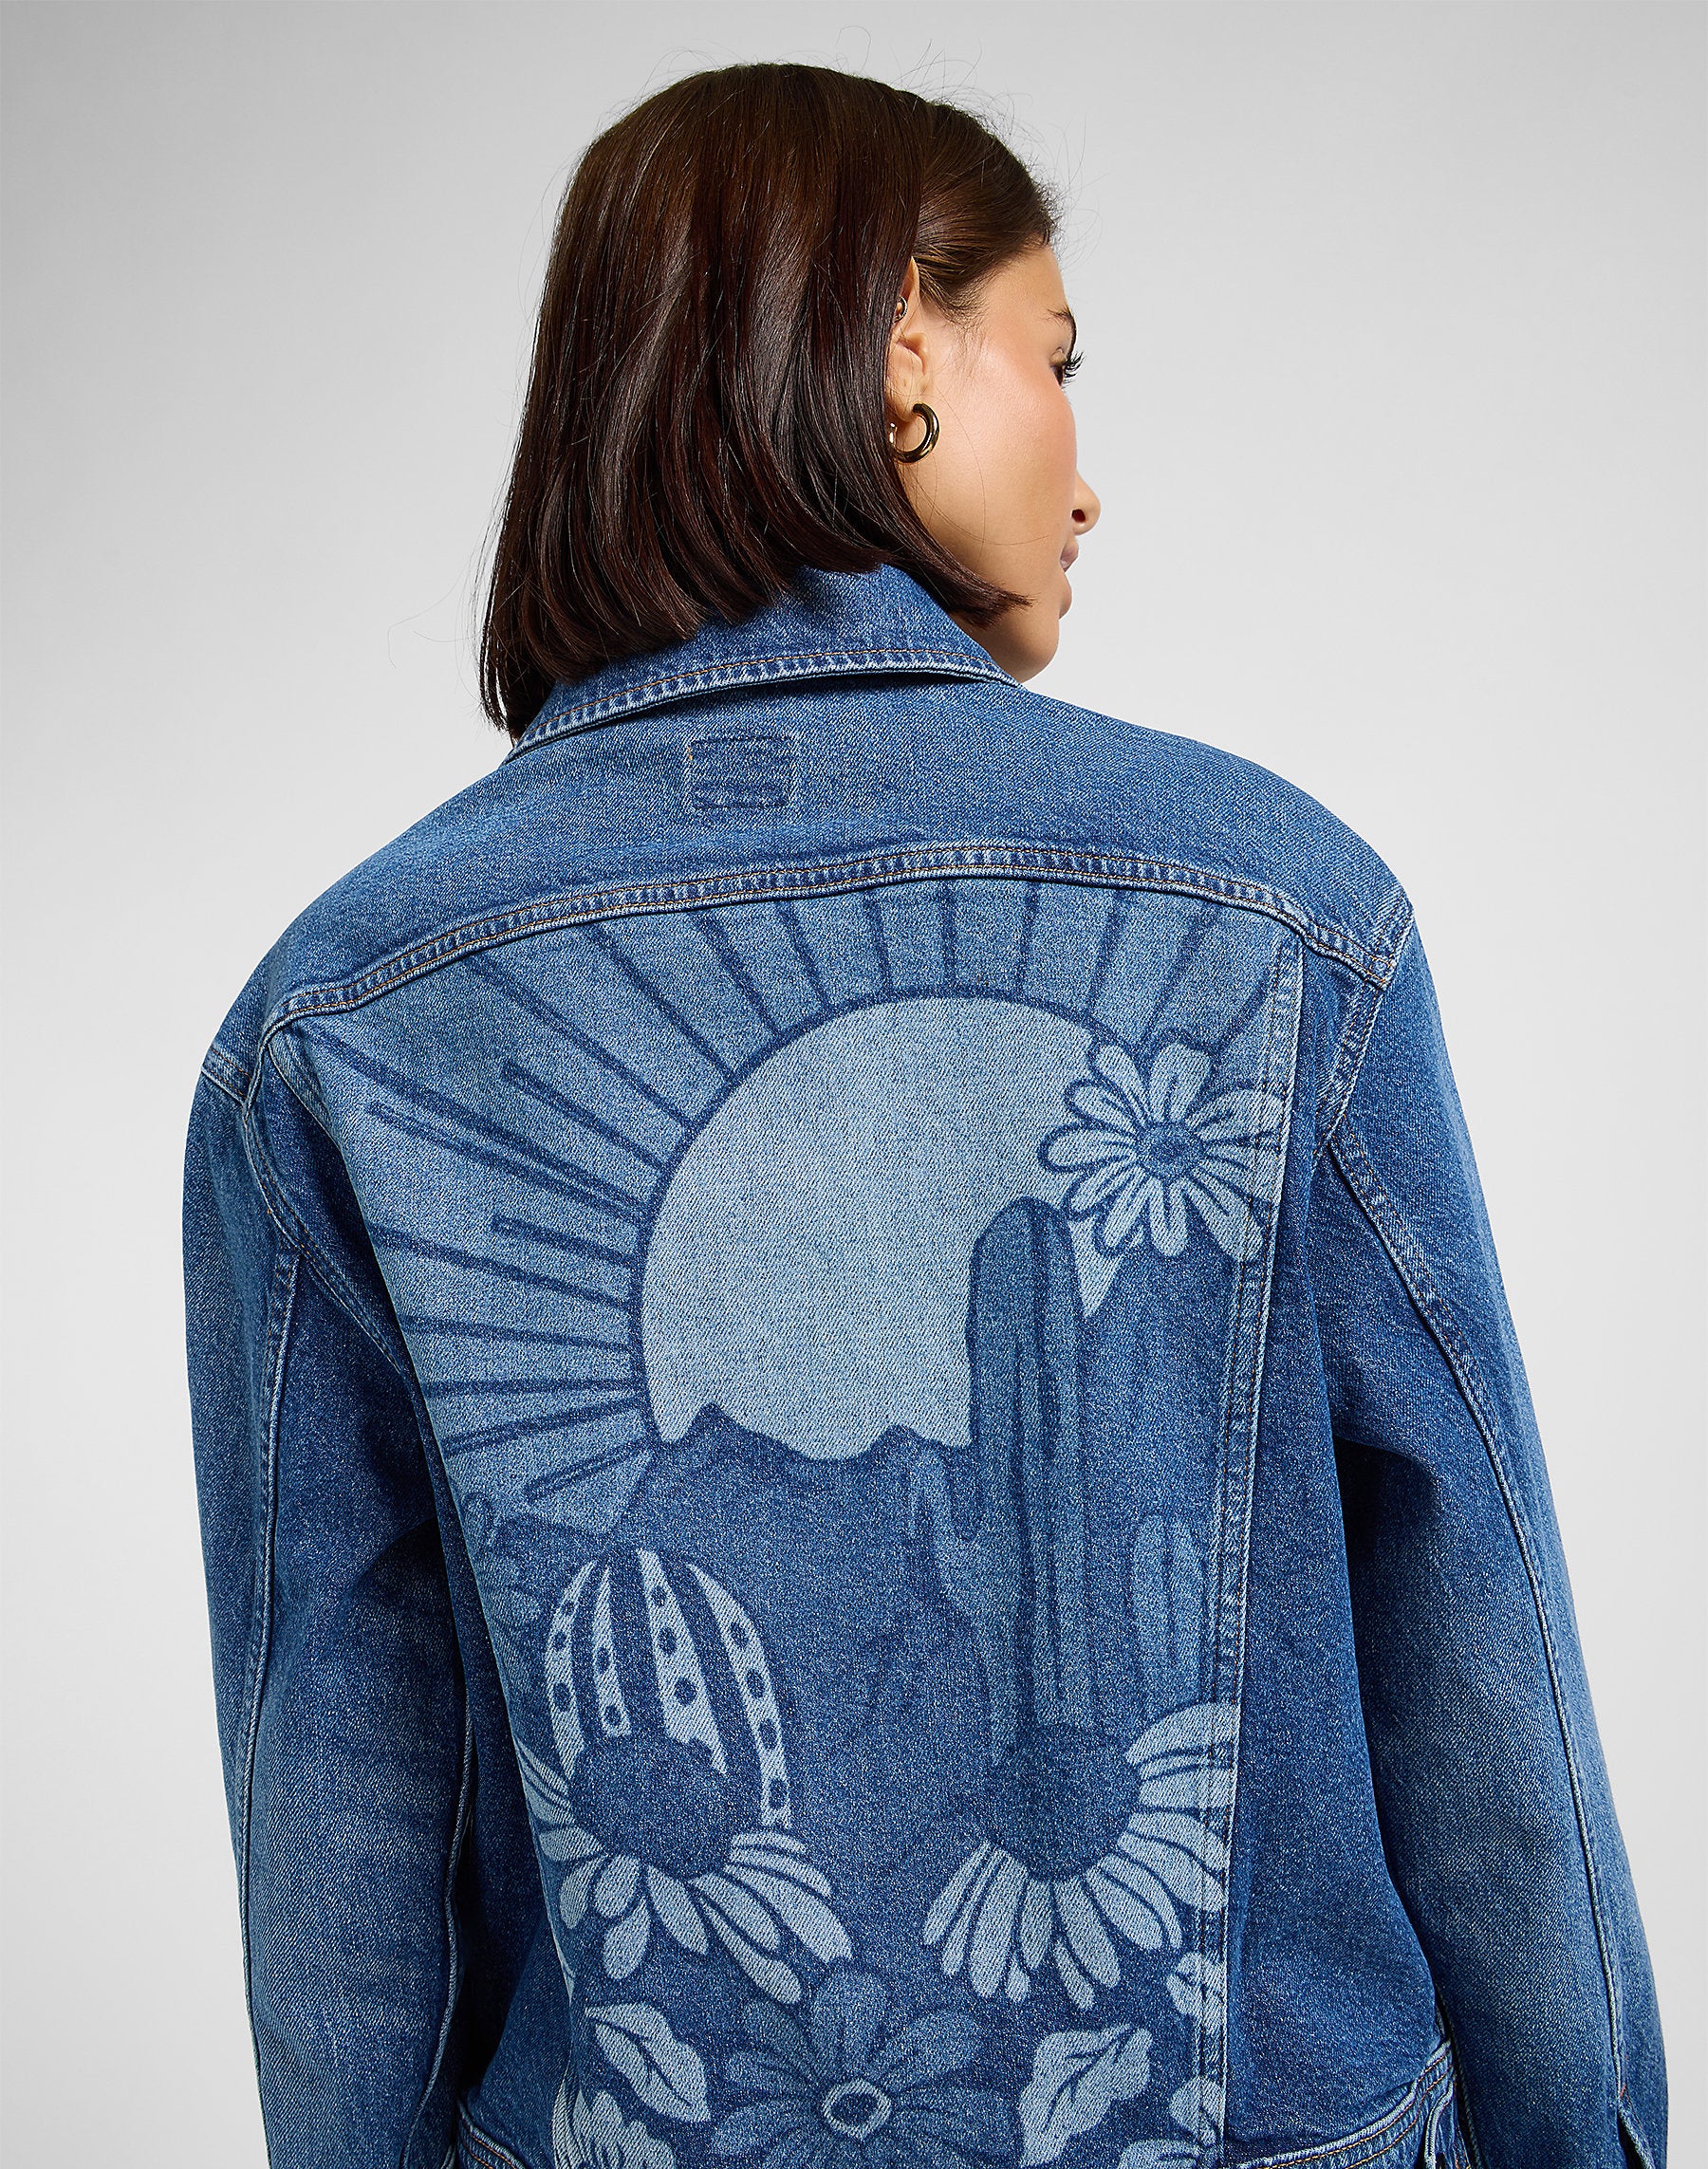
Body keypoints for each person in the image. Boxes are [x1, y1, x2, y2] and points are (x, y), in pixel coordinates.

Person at [181, 61, 1665, 2169]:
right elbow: (1479, 1662)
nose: (1088, 480)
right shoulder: (1278, 910)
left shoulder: (337, 1015)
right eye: (1055, 360)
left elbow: (337, 1795)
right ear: (899, 354)